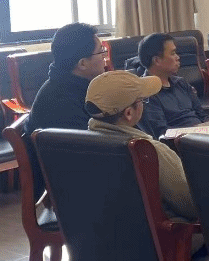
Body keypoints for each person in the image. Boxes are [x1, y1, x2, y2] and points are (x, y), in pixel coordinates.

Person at [85, 71, 198, 223]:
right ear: (129, 113)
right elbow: (192, 206)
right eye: (142, 100)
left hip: (98, 235)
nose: (144, 104)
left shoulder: (76, 146)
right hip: (165, 235)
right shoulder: (151, 151)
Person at [26, 23, 108, 136]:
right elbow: (92, 141)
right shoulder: (61, 101)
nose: (105, 56)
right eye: (101, 51)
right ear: (82, 63)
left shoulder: (71, 83)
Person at [136, 33, 209, 138]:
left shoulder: (181, 83)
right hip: (181, 143)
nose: (178, 57)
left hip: (204, 137)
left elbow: (202, 115)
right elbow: (162, 134)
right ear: (157, 60)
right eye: (173, 53)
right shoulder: (145, 93)